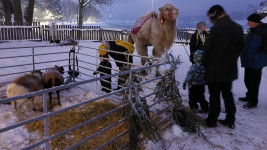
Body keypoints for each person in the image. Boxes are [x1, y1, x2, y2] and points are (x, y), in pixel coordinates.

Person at [203, 5, 244, 129]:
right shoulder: (237, 27)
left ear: (214, 13)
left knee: (214, 95)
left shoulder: (216, 28)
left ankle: (212, 120)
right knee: (228, 94)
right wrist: (231, 60)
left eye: (210, 15)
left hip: (214, 70)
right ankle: (230, 120)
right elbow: (240, 48)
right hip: (229, 69)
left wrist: (203, 63)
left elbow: (208, 50)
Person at [239, 13, 267, 109]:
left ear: (255, 22)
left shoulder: (263, 30)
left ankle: (253, 101)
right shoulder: (253, 30)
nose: (248, 23)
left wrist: (258, 54)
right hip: (249, 60)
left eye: (249, 21)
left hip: (256, 61)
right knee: (248, 80)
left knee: (254, 82)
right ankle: (249, 96)